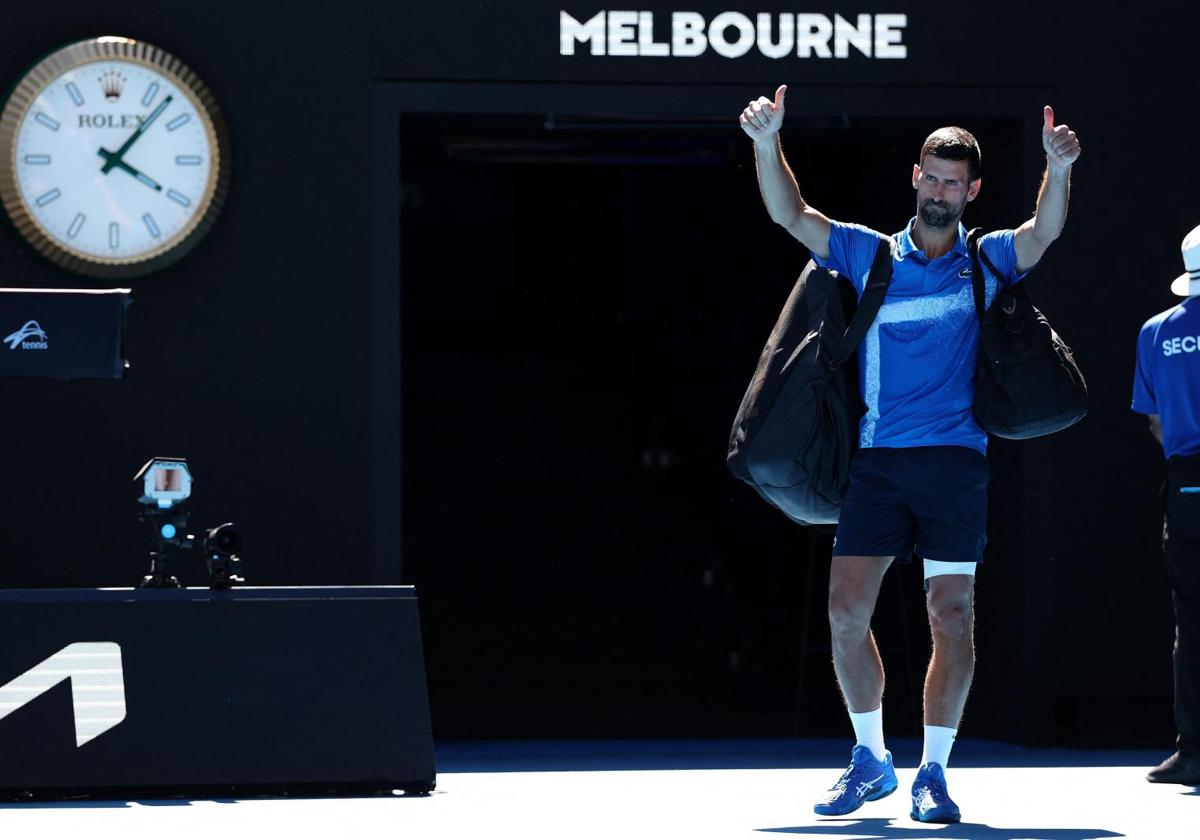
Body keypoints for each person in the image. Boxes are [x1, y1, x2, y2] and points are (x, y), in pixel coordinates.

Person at [738, 85, 1081, 823]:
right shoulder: (869, 253)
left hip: (955, 463)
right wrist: (768, 146)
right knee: (842, 612)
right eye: (932, 176)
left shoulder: (988, 260)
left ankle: (933, 772)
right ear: (915, 178)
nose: (941, 190)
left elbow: (1043, 232)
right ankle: (871, 760)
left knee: (951, 615)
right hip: (879, 464)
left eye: (955, 182)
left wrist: (1058, 168)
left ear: (972, 191)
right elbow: (789, 215)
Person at [1132, 225, 1200, 787]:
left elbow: (1154, 421)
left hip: (1187, 483)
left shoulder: (1155, 332)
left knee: (1192, 617)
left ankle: (1194, 751)